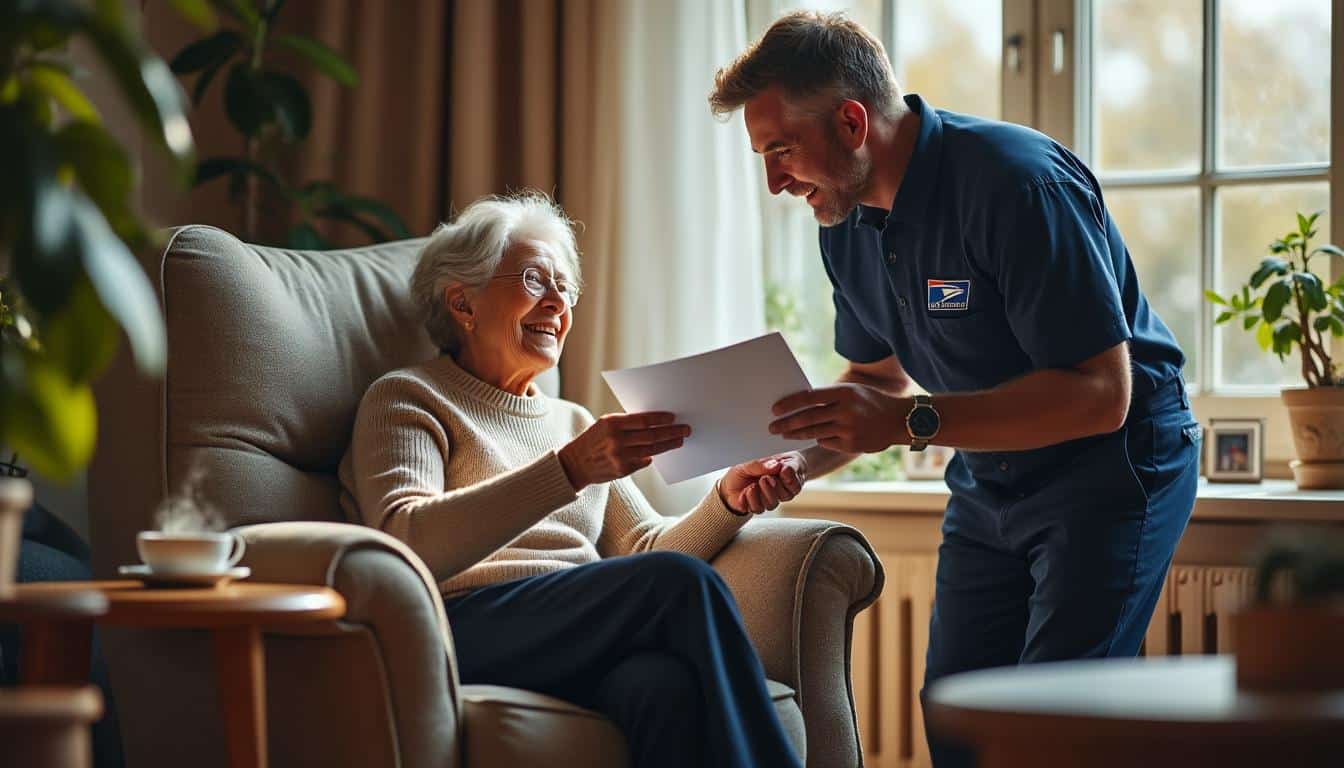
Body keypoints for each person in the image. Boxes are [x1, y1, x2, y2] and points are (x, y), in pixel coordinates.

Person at [709, 12, 1201, 766]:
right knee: (956, 717)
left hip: (1115, 463)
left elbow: (1103, 394)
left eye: (782, 150)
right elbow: (876, 379)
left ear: (850, 122)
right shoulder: (841, 218)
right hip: (989, 474)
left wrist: (907, 421)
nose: (775, 182)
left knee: (1056, 724)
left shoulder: (1017, 182)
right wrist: (794, 465)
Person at [339, 191, 805, 768]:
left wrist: (727, 502)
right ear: (463, 303)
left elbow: (643, 549)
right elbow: (402, 539)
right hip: (458, 625)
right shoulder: (408, 397)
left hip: (573, 630)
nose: (558, 302)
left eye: (566, 288)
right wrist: (568, 470)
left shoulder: (572, 422)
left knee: (660, 687)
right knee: (680, 584)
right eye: (536, 279)